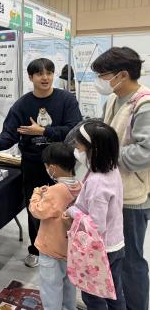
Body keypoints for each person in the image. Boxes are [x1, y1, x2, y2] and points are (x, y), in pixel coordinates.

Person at [0, 58, 82, 267]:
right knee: (36, 207)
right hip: (33, 164)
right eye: (40, 74)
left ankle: (66, 248)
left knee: (66, 208)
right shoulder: (22, 105)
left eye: (49, 73)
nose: (45, 77)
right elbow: (9, 134)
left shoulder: (67, 100)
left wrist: (44, 131)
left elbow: (74, 130)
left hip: (63, 166)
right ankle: (36, 249)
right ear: (31, 77)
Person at [90, 46, 150, 310]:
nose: (100, 81)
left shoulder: (144, 104)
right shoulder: (115, 100)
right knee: (113, 257)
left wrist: (107, 153)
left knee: (131, 261)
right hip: (112, 191)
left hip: (132, 196)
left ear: (122, 75)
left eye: (103, 75)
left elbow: (146, 152)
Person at [66, 121, 125, 309]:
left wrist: (72, 210)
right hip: (116, 243)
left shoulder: (97, 182)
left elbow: (96, 225)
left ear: (94, 150)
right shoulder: (111, 169)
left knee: (93, 296)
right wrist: (83, 191)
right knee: (114, 291)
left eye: (79, 147)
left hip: (100, 250)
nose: (76, 151)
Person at [29, 143, 81, 310]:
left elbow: (37, 211)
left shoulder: (55, 191)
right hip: (70, 249)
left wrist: (37, 194)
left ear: (52, 168)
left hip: (51, 249)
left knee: (50, 288)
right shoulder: (80, 186)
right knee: (69, 286)